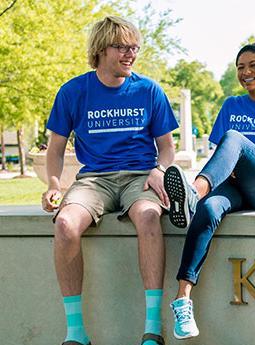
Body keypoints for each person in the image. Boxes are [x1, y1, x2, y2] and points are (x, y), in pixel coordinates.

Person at [41, 16, 177, 345]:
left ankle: (152, 329)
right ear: (102, 49)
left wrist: (160, 170)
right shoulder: (73, 91)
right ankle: (76, 333)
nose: (131, 54)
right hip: (95, 179)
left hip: (139, 175)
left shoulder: (148, 90)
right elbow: (56, 148)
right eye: (123, 47)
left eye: (135, 48)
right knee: (65, 225)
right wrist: (54, 185)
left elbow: (167, 148)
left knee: (148, 216)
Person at [163, 43, 255, 339]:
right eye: (240, 67)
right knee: (208, 209)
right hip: (235, 185)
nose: (245, 72)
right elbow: (222, 152)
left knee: (235, 137)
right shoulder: (232, 105)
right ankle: (183, 300)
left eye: (253, 65)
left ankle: (193, 192)